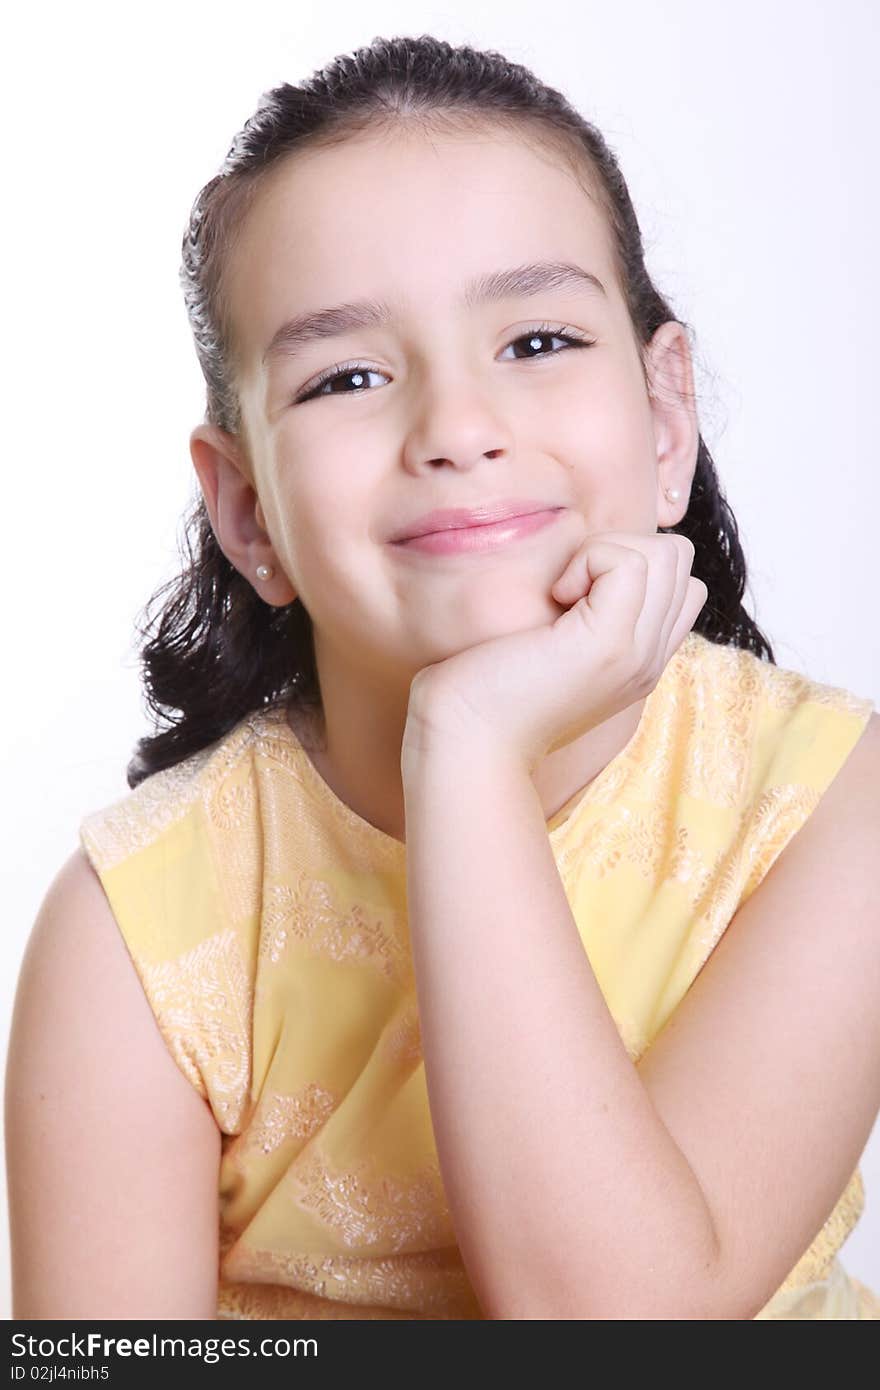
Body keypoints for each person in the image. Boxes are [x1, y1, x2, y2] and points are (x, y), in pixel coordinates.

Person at [7, 34, 880, 1321]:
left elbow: (621, 1326)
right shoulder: (138, 931)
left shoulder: (825, 804)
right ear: (248, 512)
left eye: (535, 340)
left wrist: (467, 750)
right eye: (346, 376)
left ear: (663, 416)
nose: (459, 427)